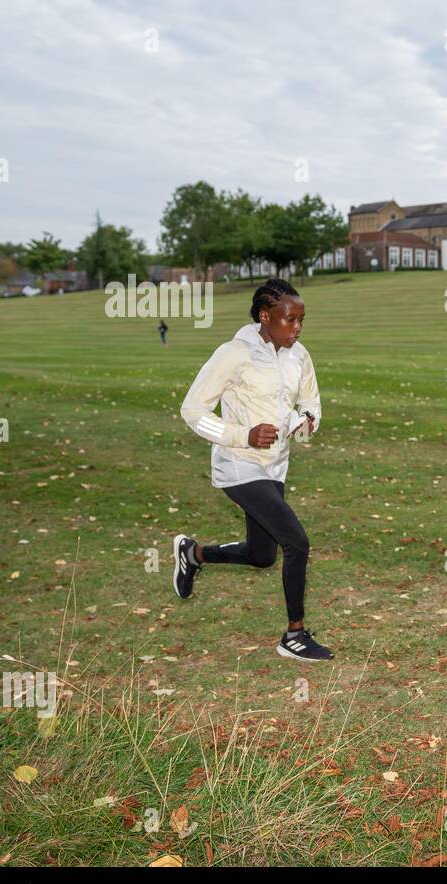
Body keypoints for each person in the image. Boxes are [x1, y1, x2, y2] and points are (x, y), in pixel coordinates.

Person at [171, 277, 332, 662]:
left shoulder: (299, 355)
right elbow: (192, 412)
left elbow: (312, 404)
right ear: (265, 316)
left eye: (301, 320)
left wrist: (306, 422)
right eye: (289, 320)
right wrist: (243, 435)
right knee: (297, 542)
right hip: (238, 465)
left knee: (262, 555)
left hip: (275, 468)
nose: (297, 328)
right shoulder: (233, 354)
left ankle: (193, 555)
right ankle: (294, 635)